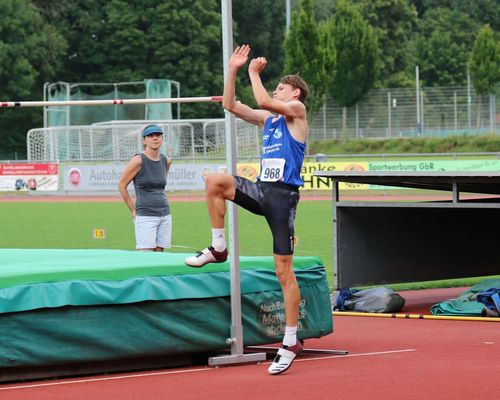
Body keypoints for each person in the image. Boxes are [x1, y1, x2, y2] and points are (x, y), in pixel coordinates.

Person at [184, 44, 309, 375]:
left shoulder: (295, 110)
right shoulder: (268, 120)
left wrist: (255, 73)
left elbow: (264, 100)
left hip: (283, 199)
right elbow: (229, 105)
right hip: (262, 190)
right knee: (215, 182)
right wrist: (233, 69)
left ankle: (291, 339)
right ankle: (218, 246)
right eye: (277, 85)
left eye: (282, 86)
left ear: (294, 92)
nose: (277, 89)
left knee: (284, 272)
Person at [118, 124, 172, 252]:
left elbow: (160, 186)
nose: (155, 138)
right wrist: (132, 210)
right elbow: (121, 185)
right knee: (145, 255)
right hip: (145, 215)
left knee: (159, 254)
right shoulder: (138, 160)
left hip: (165, 214)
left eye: (158, 135)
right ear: (144, 140)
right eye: (151, 136)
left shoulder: (166, 160)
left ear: (162, 139)